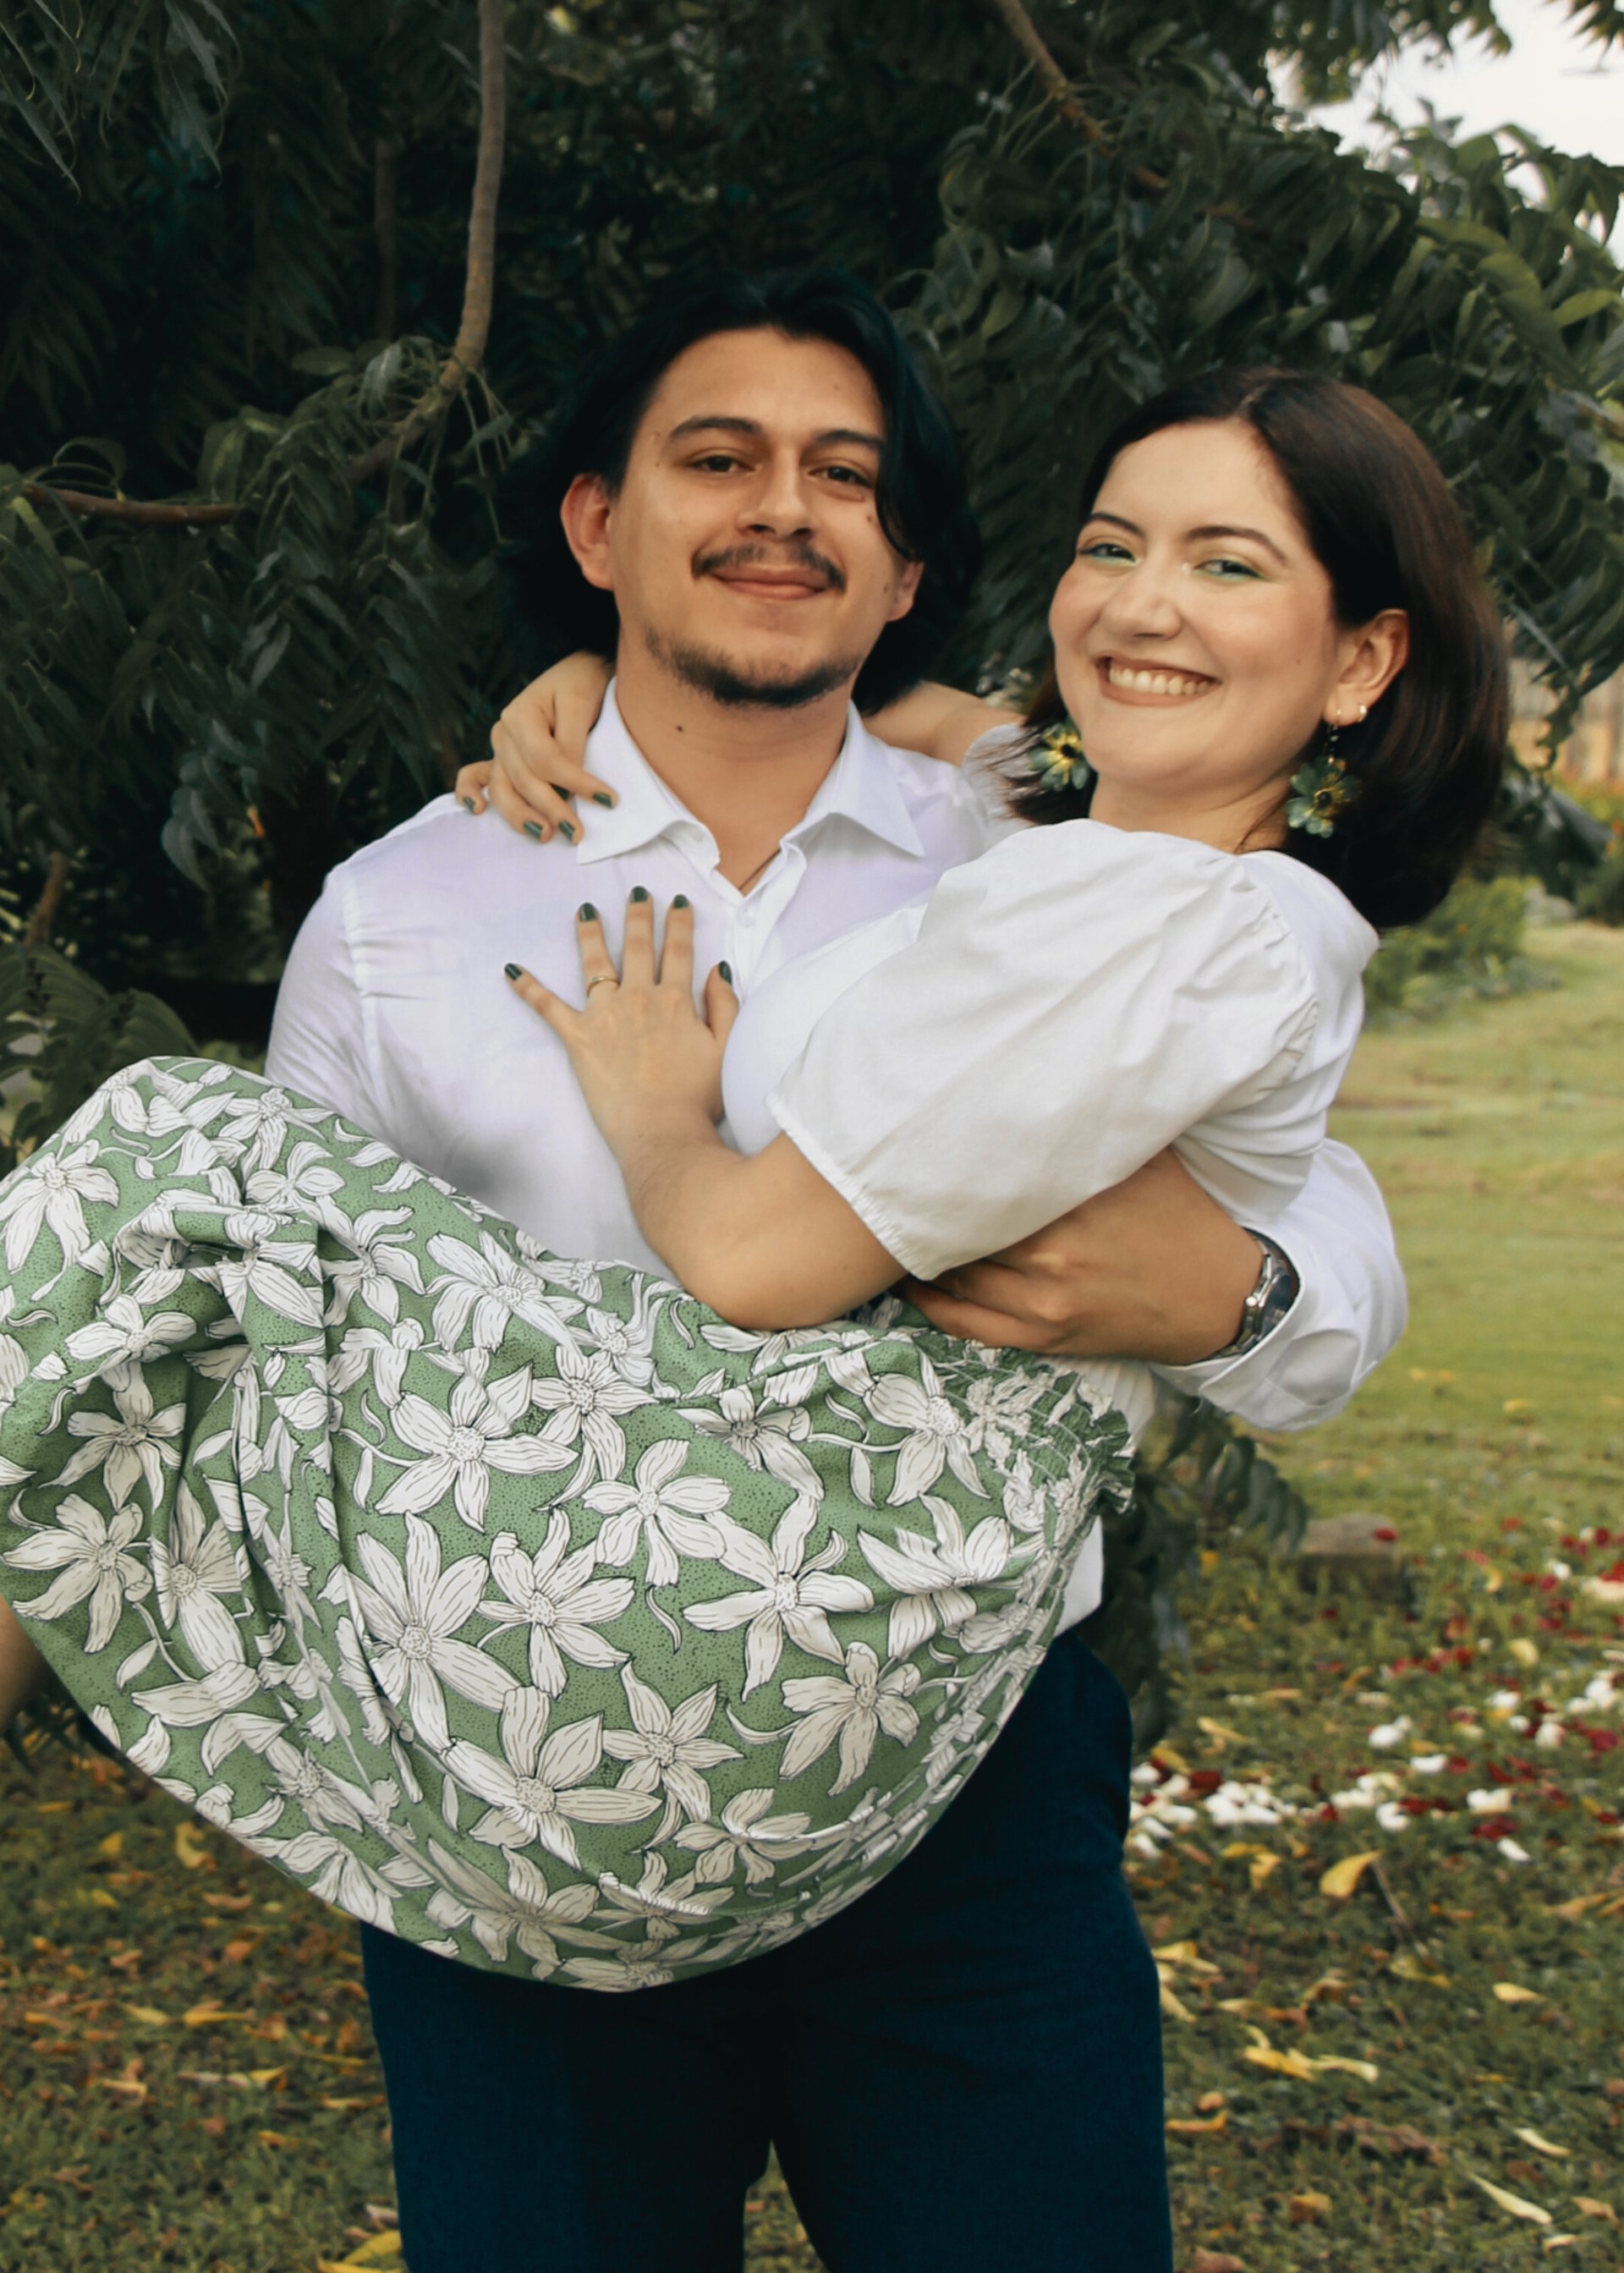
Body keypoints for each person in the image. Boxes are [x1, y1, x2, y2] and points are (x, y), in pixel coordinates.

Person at [0, 276, 1464, 2273]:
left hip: (965, 1784)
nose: (784, 509)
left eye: (845, 478)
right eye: (719, 460)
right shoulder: (406, 910)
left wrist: (1234, 1296)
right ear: (598, 526)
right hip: (523, 1771)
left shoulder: (1050, 842)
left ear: (905, 569)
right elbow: (283, 1340)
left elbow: (1318, 1194)